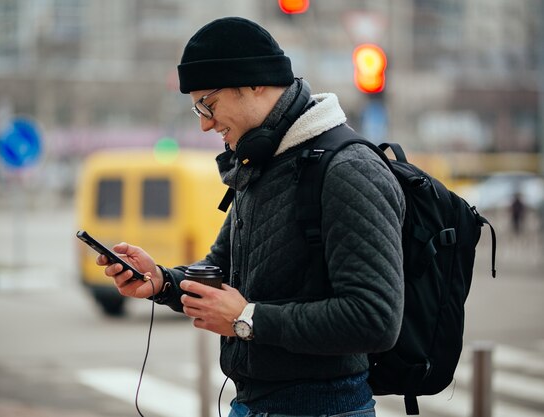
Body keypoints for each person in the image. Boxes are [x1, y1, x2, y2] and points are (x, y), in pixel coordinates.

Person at [98, 17, 405, 417]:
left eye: (207, 104)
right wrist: (160, 281)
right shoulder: (262, 161)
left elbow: (375, 319)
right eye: (197, 110)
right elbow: (220, 269)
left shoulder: (348, 169)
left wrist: (248, 319)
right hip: (251, 404)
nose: (206, 123)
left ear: (255, 83)